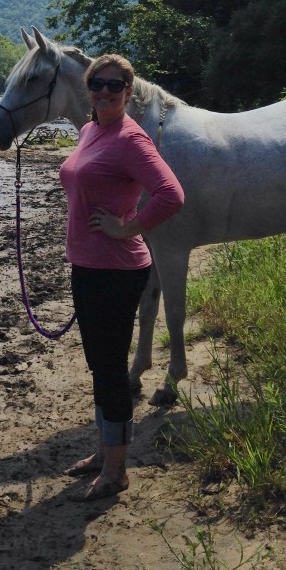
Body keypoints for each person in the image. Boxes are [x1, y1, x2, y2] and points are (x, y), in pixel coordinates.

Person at [59, 54, 184, 502]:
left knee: (111, 369)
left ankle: (116, 471)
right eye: (98, 84)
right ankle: (103, 452)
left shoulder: (132, 139)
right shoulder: (91, 130)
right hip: (87, 264)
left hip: (117, 269)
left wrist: (127, 227)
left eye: (116, 85)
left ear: (129, 92)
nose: (106, 92)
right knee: (100, 364)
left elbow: (171, 193)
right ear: (88, 90)